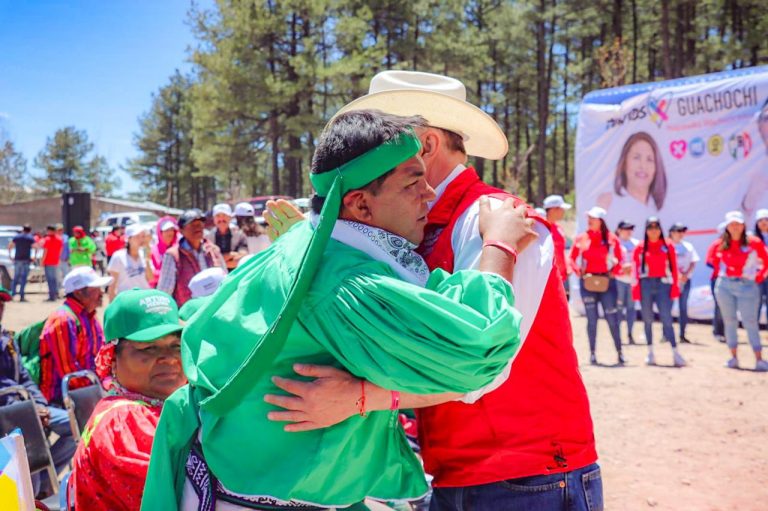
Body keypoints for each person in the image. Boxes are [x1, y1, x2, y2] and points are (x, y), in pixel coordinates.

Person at [143, 110, 537, 510]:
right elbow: (478, 349)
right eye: (413, 182)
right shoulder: (342, 284)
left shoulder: (309, 242)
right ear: (360, 206)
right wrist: (499, 247)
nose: (429, 194)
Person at [265, 71, 602, 511]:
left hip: (528, 474)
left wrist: (356, 399)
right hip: (464, 474)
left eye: (381, 139)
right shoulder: (412, 226)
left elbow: (482, 366)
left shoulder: (497, 220)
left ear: (424, 146)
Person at [70, 288, 186, 511]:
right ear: (112, 358)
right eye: (148, 347)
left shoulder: (159, 406)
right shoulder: (123, 422)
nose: (169, 359)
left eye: (176, 345)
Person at [0, 285, 76, 497]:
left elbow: (24, 377)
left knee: (76, 426)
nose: (0, 308)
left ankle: (42, 485)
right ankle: (28, 492)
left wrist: (39, 405)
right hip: (9, 410)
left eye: (2, 303)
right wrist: (28, 410)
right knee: (28, 436)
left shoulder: (6, 337)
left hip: (24, 405)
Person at [38, 266, 112, 405]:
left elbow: (102, 356)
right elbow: (69, 373)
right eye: (95, 289)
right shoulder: (63, 320)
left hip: (88, 390)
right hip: (63, 398)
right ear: (78, 293)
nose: (101, 293)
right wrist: (99, 393)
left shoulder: (90, 318)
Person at [712, 211, 768, 371]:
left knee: (750, 321)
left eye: (738, 224)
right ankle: (733, 357)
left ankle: (759, 359)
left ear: (743, 225)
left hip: (747, 286)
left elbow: (766, 261)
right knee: (729, 321)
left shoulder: (754, 242)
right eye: (731, 224)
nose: (735, 227)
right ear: (727, 227)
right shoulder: (720, 243)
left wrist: (758, 277)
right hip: (725, 286)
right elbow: (712, 260)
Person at [570, 206, 625, 365]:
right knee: (592, 320)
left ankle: (620, 352)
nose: (589, 220)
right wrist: (577, 271)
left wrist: (615, 271)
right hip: (587, 283)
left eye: (592, 218)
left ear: (600, 221)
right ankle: (592, 354)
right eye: (588, 218)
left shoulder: (611, 238)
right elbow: (572, 258)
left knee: (612, 318)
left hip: (607, 283)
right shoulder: (581, 238)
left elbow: (620, 258)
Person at [632, 217, 686, 367]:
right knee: (647, 318)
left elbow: (674, 268)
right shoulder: (641, 247)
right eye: (650, 228)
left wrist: (675, 287)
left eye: (656, 228)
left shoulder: (668, 245)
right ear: (646, 230)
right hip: (646, 284)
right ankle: (650, 352)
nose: (653, 231)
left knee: (666, 318)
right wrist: (635, 289)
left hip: (663, 284)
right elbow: (635, 271)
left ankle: (675, 352)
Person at [597, 131, 668, 231]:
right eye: (636, 158)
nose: (643, 166)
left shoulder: (658, 208)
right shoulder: (608, 202)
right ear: (624, 162)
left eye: (649, 159)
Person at [156, 209, 225, 307]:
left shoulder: (213, 250)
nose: (198, 227)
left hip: (216, 309)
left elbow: (226, 279)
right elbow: (164, 292)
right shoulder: (173, 256)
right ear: (181, 230)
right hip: (189, 315)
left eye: (200, 224)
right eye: (193, 224)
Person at [669, 222, 699, 343]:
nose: (681, 234)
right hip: (670, 281)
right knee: (667, 308)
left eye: (682, 231)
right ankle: (667, 334)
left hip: (685, 280)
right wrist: (676, 274)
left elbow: (693, 261)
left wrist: (686, 274)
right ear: (672, 232)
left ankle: (682, 334)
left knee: (683, 307)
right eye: (678, 231)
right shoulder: (667, 245)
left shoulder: (688, 246)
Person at [107, 224, 154, 301]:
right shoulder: (118, 256)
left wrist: (147, 259)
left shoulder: (144, 255)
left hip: (144, 300)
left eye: (142, 236)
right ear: (128, 239)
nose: (141, 240)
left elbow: (150, 278)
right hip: (126, 301)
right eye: (137, 237)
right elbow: (112, 285)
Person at [615, 220, 639, 344]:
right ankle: (617, 335)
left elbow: (640, 261)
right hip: (619, 280)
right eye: (626, 228)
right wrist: (622, 268)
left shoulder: (636, 243)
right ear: (619, 230)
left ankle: (630, 334)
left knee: (631, 308)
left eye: (631, 229)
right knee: (618, 308)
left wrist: (632, 268)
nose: (629, 231)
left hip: (632, 281)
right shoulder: (615, 242)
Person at [205, 203, 248, 270]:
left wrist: (221, 260)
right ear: (214, 219)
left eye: (224, 215)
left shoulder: (239, 234)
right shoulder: (208, 236)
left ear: (230, 217)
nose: (221, 219)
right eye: (218, 216)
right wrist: (231, 255)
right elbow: (210, 260)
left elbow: (243, 255)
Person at [543, 194, 571, 292]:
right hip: (547, 278)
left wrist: (567, 267)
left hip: (562, 276)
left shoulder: (559, 228)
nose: (564, 212)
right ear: (553, 210)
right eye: (561, 209)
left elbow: (561, 252)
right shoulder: (541, 227)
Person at [9, 224, 36, 302]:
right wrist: (34, 256)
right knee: (23, 278)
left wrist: (10, 256)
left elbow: (10, 246)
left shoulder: (17, 237)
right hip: (26, 260)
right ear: (30, 230)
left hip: (17, 259)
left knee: (16, 277)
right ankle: (22, 296)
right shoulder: (30, 238)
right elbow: (36, 247)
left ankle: (12, 294)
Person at [150, 217, 179, 287]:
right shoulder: (154, 250)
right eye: (166, 230)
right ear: (160, 233)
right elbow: (151, 274)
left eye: (172, 230)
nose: (170, 233)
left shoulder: (178, 249)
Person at [39, 225, 63, 302]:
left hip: (48, 261)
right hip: (55, 261)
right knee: (55, 279)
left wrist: (42, 261)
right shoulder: (59, 239)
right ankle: (55, 294)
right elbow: (60, 250)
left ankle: (52, 295)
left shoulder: (47, 239)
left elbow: (45, 251)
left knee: (50, 279)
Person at [753, 208, 768, 323]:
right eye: (760, 220)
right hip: (757, 274)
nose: (763, 222)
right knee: (755, 302)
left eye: (766, 220)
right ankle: (754, 330)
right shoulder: (752, 238)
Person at [57, 224, 70, 292]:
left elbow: (68, 248)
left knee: (66, 275)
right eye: (58, 230)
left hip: (65, 259)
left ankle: (66, 289)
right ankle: (58, 289)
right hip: (57, 260)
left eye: (61, 230)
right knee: (58, 276)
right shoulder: (55, 237)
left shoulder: (66, 237)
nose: (60, 231)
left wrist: (68, 257)